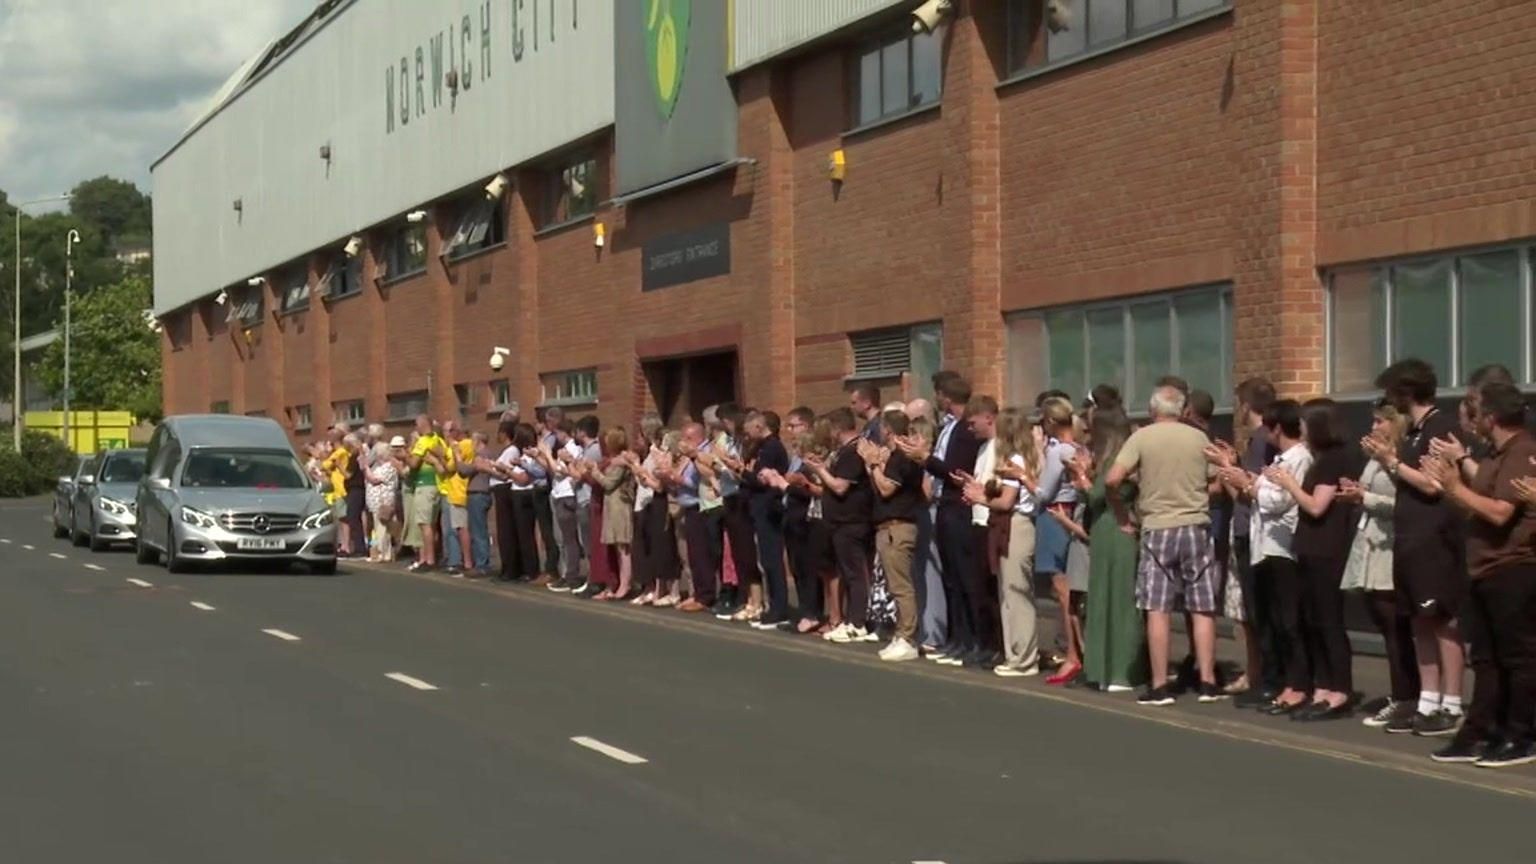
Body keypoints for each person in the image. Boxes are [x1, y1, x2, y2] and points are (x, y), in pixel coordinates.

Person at [1424, 381, 1536, 768]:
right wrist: (1456, 477)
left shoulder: (1522, 451)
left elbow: (1500, 512)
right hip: (1484, 568)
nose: (1472, 419)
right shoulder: (1495, 454)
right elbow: (1484, 495)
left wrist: (1454, 487)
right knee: (1486, 658)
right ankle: (1483, 730)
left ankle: (1521, 735)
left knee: (1518, 657)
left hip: (1512, 567)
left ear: (1491, 417)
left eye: (1476, 412)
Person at [1106, 385, 1224, 706]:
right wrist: (1197, 492)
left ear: (1152, 408)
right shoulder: (1198, 438)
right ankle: (1208, 681)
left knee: (1157, 607)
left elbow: (1112, 478)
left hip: (1158, 526)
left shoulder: (1142, 438)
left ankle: (1159, 685)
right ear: (1183, 410)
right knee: (1202, 606)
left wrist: (1123, 511)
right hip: (1195, 525)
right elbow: (1218, 479)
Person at [1373, 358, 1467, 737]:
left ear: (1406, 392)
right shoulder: (1414, 432)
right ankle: (1427, 700)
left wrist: (1391, 462)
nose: (1391, 404)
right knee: (1418, 621)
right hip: (1409, 538)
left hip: (1434, 540)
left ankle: (1452, 702)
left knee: (1442, 621)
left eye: (1393, 395)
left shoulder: (1439, 429)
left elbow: (1433, 485)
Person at [1264, 399, 1359, 720]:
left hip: (1327, 548)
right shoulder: (1321, 460)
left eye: (1305, 422)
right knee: (1312, 621)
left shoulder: (1334, 459)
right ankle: (1322, 685)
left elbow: (1317, 506)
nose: (1300, 428)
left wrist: (1289, 484)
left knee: (1329, 621)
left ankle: (1340, 690)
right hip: (1309, 547)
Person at [893, 374, 982, 668]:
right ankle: (957, 639)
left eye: (939, 394)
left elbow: (955, 472)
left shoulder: (965, 432)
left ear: (946, 395)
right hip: (944, 507)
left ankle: (972, 640)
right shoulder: (948, 427)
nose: (937, 399)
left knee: (964, 577)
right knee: (951, 578)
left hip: (958, 506)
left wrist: (925, 458)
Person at [1343, 400, 1418, 729]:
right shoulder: (1377, 455)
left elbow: (1402, 502)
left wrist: (1366, 498)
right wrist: (1358, 491)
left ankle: (1407, 696)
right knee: (1384, 623)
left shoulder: (1400, 458)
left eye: (1379, 422)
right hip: (1370, 542)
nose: (1373, 427)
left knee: (1395, 627)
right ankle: (1401, 693)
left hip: (1389, 545)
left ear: (1395, 423)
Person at [968, 406, 1041, 677]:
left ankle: (1024, 658)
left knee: (1016, 592)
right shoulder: (1015, 458)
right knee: (1007, 593)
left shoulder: (1017, 461)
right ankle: (1015, 653)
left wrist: (981, 498)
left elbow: (1007, 500)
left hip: (1016, 525)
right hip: (1007, 525)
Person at [1079, 405, 1146, 692]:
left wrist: (1083, 478)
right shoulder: (1124, 461)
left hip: (1113, 530)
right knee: (1114, 599)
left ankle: (1114, 670)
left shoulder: (1114, 464)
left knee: (1115, 601)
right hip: (1114, 531)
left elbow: (1096, 496)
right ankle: (1114, 669)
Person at [1227, 376, 1281, 706]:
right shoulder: (1261, 440)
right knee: (1258, 610)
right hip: (1251, 530)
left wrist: (1228, 472)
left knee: (1260, 609)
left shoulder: (1261, 440)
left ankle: (1268, 678)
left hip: (1251, 531)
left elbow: (1251, 493)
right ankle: (1263, 675)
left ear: (1247, 406)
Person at [805, 408, 876, 644]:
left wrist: (820, 470)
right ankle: (851, 620)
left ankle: (857, 622)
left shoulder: (853, 452)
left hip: (852, 522)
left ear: (837, 428)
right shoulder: (842, 452)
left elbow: (839, 487)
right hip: (838, 522)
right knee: (847, 572)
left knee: (856, 574)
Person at [862, 410, 925, 661]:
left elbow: (887, 488)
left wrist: (873, 464)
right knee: (894, 585)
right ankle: (901, 633)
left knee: (902, 587)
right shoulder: (893, 457)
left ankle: (908, 637)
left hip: (898, 527)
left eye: (881, 428)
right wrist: (874, 465)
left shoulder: (903, 457)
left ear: (887, 430)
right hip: (886, 527)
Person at [1034, 397, 1085, 685]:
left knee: (1063, 588)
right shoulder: (1078, 447)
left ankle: (1072, 654)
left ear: (1051, 422)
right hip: (1069, 513)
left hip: (1055, 515)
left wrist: (1027, 475)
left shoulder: (1057, 452)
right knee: (1069, 587)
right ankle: (1076, 651)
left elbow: (1043, 492)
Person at [741, 411, 792, 629]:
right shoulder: (762, 447)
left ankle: (779, 608)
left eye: (750, 431)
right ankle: (774, 606)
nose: (748, 436)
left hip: (769, 508)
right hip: (760, 509)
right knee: (766, 561)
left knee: (772, 560)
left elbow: (763, 480)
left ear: (759, 427)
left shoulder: (772, 448)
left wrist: (742, 471)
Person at [540, 420, 586, 592]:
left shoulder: (572, 449)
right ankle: (567, 573)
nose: (556, 437)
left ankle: (571, 576)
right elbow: (553, 469)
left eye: (557, 433)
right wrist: (541, 456)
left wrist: (547, 453)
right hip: (559, 493)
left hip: (567, 494)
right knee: (564, 539)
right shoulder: (565, 449)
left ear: (564, 433)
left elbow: (559, 470)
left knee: (569, 539)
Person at [592, 427, 636, 601]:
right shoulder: (615, 460)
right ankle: (620, 583)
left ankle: (626, 584)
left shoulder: (623, 460)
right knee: (618, 548)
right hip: (612, 505)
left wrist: (595, 472)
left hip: (620, 506)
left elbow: (609, 484)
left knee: (623, 547)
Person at [406, 415, 447, 573]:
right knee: (432, 523)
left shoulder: (422, 441)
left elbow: (414, 463)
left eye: (416, 425)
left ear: (422, 425)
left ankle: (429, 560)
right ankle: (431, 557)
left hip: (425, 484)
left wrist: (406, 455)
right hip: (437, 484)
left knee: (425, 524)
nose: (415, 428)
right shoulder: (438, 439)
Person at [438, 420, 471, 577]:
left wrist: (438, 457)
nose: (447, 435)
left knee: (458, 529)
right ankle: (457, 560)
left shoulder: (462, 445)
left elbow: (449, 467)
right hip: (452, 491)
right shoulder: (457, 446)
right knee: (455, 529)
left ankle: (461, 562)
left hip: (458, 491)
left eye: (449, 431)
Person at [364, 440, 401, 562]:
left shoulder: (389, 467)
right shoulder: (383, 466)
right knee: (379, 528)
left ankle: (382, 553)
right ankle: (382, 552)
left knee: (382, 529)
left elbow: (374, 479)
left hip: (383, 502)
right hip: (376, 502)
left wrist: (365, 467)